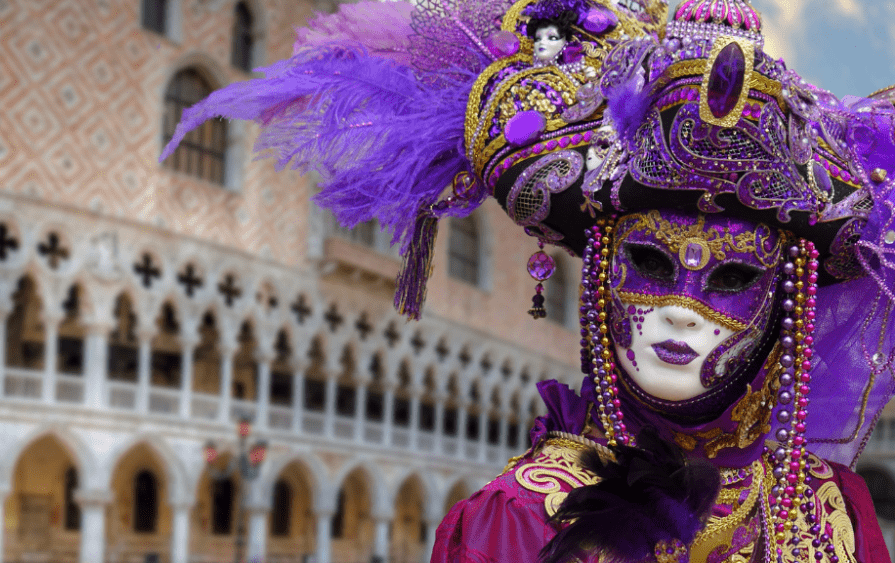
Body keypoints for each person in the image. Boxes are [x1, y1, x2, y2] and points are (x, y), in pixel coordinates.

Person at [160, 0, 895, 561]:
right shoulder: (518, 518)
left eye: (733, 276)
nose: (681, 309)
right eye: (649, 262)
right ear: (602, 272)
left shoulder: (832, 512)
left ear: (786, 298)